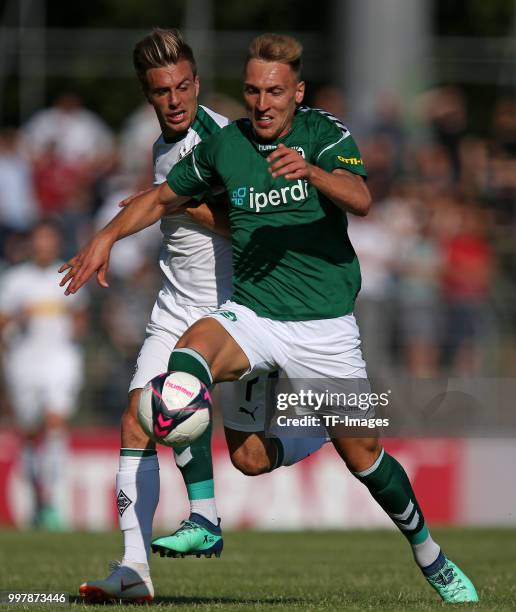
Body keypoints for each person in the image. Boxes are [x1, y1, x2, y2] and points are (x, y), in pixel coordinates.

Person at [61, 33, 478, 604]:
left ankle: (431, 556)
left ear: (296, 93)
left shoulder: (323, 134)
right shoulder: (226, 145)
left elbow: (360, 198)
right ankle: (200, 520)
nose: (262, 103)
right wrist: (106, 236)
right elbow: (159, 199)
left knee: (359, 459)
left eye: (275, 92)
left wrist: (311, 173)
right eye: (254, 91)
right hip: (251, 314)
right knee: (185, 361)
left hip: (325, 328)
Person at [65, 29, 327, 604]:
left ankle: (324, 424)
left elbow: (254, 222)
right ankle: (136, 569)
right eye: (163, 91)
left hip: (236, 315)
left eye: (184, 86)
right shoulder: (162, 145)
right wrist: (112, 233)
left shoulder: (221, 138)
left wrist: (176, 198)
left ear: (198, 84)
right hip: (175, 310)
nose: (175, 99)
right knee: (138, 419)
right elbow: (162, 201)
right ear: (147, 93)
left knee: (250, 457)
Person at [0, 220, 87, 529]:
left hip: (60, 360)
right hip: (24, 364)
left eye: (48, 239)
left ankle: (52, 501)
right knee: (30, 433)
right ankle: (37, 496)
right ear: (31, 243)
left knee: (54, 423)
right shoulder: (14, 280)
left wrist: (76, 325)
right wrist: (16, 317)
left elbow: (80, 317)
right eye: (38, 239)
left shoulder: (67, 274)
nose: (43, 245)